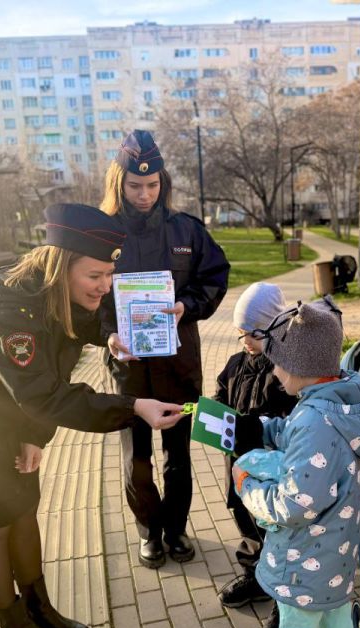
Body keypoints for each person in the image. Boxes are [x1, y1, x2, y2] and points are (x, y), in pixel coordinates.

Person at [0, 204, 185, 628]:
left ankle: (40, 610)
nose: (105, 285)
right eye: (95, 275)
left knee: (24, 508)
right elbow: (44, 393)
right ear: (62, 264)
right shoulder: (10, 310)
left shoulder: (50, 288)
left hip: (5, 408)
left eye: (110, 274)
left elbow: (68, 335)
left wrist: (111, 337)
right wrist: (132, 406)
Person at [231, 297, 360, 628]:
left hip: (302, 564)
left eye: (278, 363)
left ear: (299, 365)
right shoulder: (346, 397)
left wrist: (248, 487)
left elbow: (294, 502)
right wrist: (260, 428)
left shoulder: (316, 418)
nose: (274, 370)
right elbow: (303, 435)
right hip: (337, 558)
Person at [99, 129, 230, 569]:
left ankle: (175, 528)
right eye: (135, 186)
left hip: (177, 364)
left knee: (178, 453)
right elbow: (88, 296)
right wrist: (107, 335)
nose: (144, 194)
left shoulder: (186, 230)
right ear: (119, 183)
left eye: (152, 185)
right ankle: (148, 531)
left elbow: (214, 277)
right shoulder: (101, 235)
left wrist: (184, 306)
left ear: (163, 183)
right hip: (127, 368)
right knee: (136, 456)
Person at [213, 282, 297, 628]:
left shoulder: (287, 370)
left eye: (251, 333)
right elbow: (220, 397)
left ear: (273, 328)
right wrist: (208, 415)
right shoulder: (235, 364)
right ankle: (255, 574)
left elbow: (291, 416)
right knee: (245, 521)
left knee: (275, 530)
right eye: (240, 333)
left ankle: (284, 597)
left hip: (273, 469)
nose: (245, 340)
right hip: (239, 465)